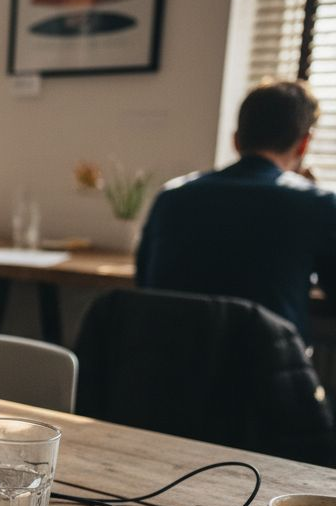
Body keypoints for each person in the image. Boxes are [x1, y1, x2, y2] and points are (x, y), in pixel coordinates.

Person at [136, 80, 336, 344]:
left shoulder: (170, 198)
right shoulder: (317, 204)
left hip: (169, 372)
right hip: (267, 376)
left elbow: (145, 284)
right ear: (303, 144)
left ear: (236, 140)